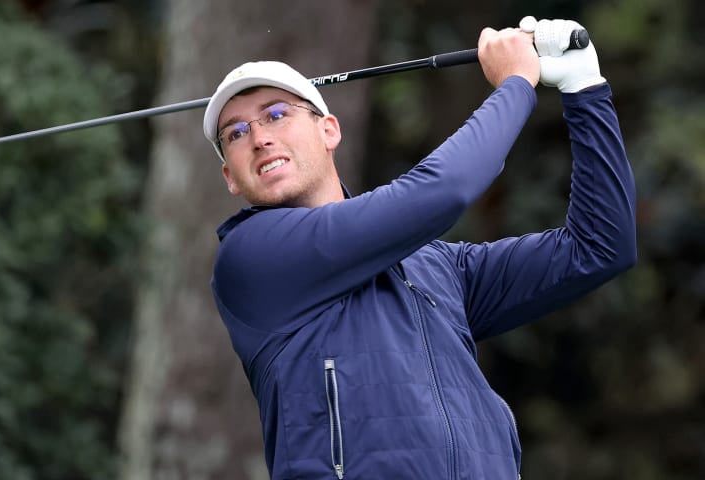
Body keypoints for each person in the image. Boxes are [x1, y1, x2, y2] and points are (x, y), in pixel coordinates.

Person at [202, 17, 636, 480]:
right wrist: (515, 83)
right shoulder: (251, 257)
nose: (260, 137)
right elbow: (446, 189)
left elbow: (600, 246)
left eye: (275, 114)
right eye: (235, 133)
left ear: (328, 130)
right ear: (230, 176)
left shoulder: (437, 266)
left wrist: (584, 88)